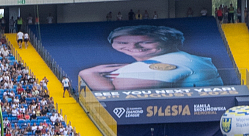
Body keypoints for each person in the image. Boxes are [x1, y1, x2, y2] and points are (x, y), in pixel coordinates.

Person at [76, 24, 224, 91]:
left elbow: (115, 90)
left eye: (145, 42)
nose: (133, 47)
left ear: (167, 41)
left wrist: (88, 73)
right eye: (122, 42)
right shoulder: (186, 58)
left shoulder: (171, 61)